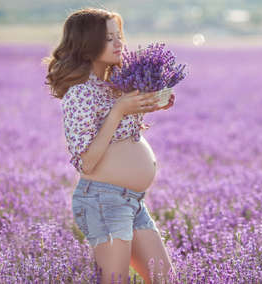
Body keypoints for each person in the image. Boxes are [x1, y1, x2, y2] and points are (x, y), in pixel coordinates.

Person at [42, 7, 176, 284]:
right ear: (87, 45)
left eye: (119, 36)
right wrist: (118, 111)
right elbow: (87, 162)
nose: (119, 44)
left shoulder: (116, 85)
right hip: (103, 200)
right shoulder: (80, 93)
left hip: (132, 200)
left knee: (165, 280)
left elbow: (123, 135)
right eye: (108, 38)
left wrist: (152, 105)